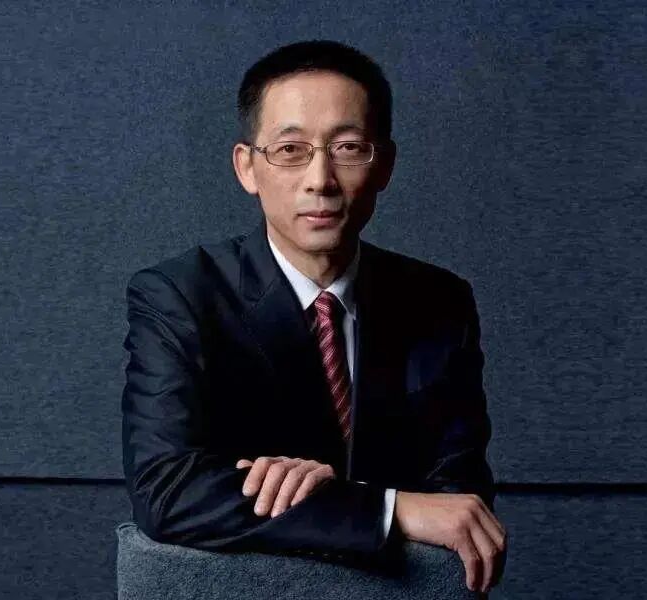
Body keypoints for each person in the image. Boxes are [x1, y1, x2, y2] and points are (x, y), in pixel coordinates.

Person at [121, 40, 506, 594]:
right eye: (290, 150)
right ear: (247, 167)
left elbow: (459, 502)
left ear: (384, 165)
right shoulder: (180, 296)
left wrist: (316, 498)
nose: (320, 179)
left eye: (348, 147)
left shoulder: (439, 301)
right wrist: (387, 507)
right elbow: (167, 491)